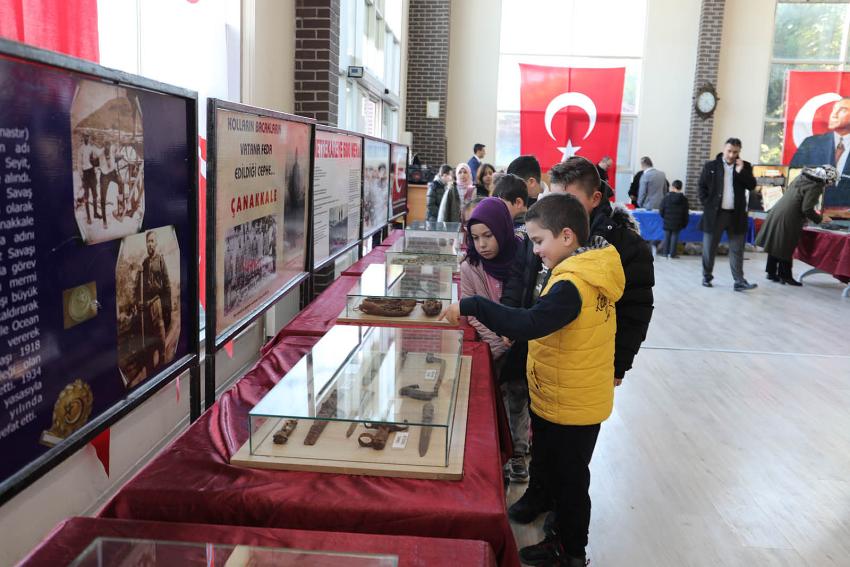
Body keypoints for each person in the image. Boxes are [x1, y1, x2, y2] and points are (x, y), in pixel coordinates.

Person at [442, 193, 625, 567]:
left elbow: (529, 323)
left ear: (568, 237)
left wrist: (473, 306)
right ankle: (559, 539)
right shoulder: (579, 272)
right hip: (563, 396)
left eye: (540, 241)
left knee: (571, 483)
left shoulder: (573, 285)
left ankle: (572, 553)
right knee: (560, 475)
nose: (535, 249)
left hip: (572, 404)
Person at [506, 157, 655, 533]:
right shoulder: (548, 228)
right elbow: (526, 279)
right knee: (542, 434)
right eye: (554, 195)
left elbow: (636, 310)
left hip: (585, 363)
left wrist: (619, 364)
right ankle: (539, 493)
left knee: (572, 456)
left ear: (594, 198)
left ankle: (564, 520)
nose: (555, 204)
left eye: (567, 196)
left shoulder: (622, 246)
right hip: (542, 351)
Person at [755, 165, 836, 285]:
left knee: (776, 243)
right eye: (831, 181)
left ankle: (771, 273)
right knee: (785, 246)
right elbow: (807, 208)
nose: (830, 184)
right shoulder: (816, 186)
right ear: (827, 179)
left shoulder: (801, 178)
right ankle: (786, 276)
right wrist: (820, 219)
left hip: (778, 211)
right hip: (789, 217)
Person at [698, 137, 758, 291]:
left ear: (739, 152)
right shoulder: (711, 166)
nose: (731, 155)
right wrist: (708, 204)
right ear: (724, 149)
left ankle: (739, 281)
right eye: (729, 151)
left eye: (735, 152)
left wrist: (740, 172)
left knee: (737, 249)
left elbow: (751, 185)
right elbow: (701, 187)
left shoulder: (745, 167)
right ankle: (707, 276)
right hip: (715, 215)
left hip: (736, 215)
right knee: (709, 248)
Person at [790, 97, 850, 207]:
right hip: (811, 214)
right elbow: (793, 177)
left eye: (842, 110)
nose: (834, 114)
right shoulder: (810, 144)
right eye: (833, 109)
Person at [136, 231, 172, 377]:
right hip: (147, 307)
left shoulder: (161, 261)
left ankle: (163, 368)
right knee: (149, 343)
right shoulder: (144, 263)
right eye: (148, 242)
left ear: (156, 243)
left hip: (158, 303)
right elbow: (141, 287)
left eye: (152, 241)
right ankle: (152, 375)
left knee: (160, 338)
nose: (150, 244)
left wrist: (167, 307)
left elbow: (167, 285)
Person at [658, 179, 690, 258]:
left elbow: (661, 209)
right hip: (678, 222)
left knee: (667, 237)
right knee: (675, 237)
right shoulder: (684, 199)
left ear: (672, 187)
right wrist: (684, 223)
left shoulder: (666, 198)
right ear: (681, 188)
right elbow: (686, 213)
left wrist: (664, 217)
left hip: (667, 221)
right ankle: (672, 254)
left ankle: (665, 253)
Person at [77, 133, 100, 225]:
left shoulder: (92, 147)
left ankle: (95, 213)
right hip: (85, 174)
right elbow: (79, 163)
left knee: (95, 194)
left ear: (89, 137)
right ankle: (89, 217)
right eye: (85, 137)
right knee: (86, 195)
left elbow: (99, 153)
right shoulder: (80, 149)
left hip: (92, 172)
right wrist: (81, 175)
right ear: (83, 138)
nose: (87, 138)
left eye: (88, 136)